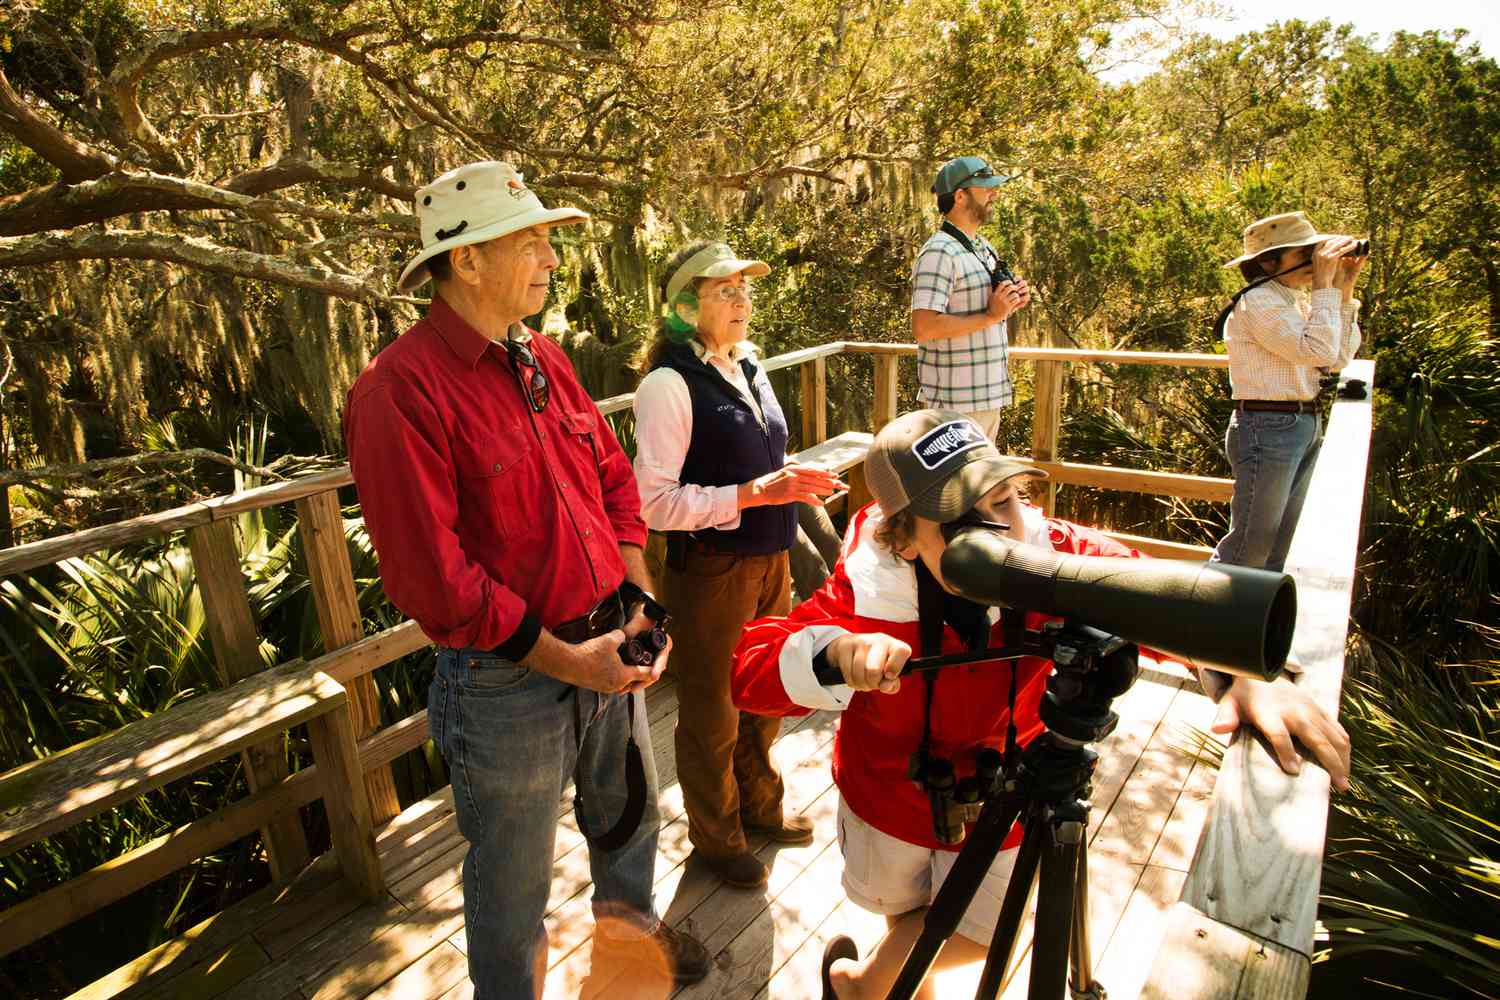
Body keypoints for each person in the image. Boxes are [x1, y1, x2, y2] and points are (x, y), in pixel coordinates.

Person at [729, 409, 1352, 1000]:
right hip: (887, 794)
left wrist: (1241, 672)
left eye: (1003, 500)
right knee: (904, 913)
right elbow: (747, 671)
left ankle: (860, 985)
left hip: (1009, 790)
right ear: (904, 538)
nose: (1000, 532)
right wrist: (834, 653)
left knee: (980, 932)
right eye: (964, 521)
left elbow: (1155, 595)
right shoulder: (867, 588)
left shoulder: (1052, 553)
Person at [343, 161, 709, 999]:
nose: (552, 258)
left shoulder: (541, 356)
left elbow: (612, 481)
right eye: (532, 240)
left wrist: (637, 600)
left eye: (550, 239)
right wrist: (567, 660)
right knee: (512, 882)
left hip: (609, 642)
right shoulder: (398, 391)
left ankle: (627, 952)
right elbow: (435, 581)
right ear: (466, 259)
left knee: (630, 819)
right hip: (505, 685)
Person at [632, 240, 843, 889]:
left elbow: (762, 457)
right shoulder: (667, 385)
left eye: (744, 288)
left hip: (769, 560)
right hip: (711, 571)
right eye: (724, 290)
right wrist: (755, 493)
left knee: (765, 690)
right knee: (711, 711)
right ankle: (717, 839)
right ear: (683, 307)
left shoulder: (749, 361)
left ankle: (760, 808)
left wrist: (793, 477)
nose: (742, 299)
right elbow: (655, 503)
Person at [1213, 211, 1365, 571]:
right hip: (1267, 427)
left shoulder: (1291, 300)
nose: (1315, 261)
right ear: (1269, 262)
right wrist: (1325, 287)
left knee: (1281, 543)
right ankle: (1206, 605)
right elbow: (1320, 352)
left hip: (1299, 423)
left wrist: (1343, 290)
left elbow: (1337, 358)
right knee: (1250, 546)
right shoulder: (1259, 301)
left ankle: (1257, 608)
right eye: (1304, 253)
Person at [910, 156, 1033, 444]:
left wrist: (1010, 301)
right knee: (957, 477)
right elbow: (924, 328)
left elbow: (986, 311)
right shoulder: (939, 252)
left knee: (981, 476)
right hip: (954, 406)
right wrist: (991, 316)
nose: (994, 193)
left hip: (986, 398)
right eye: (986, 187)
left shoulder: (982, 247)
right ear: (960, 196)